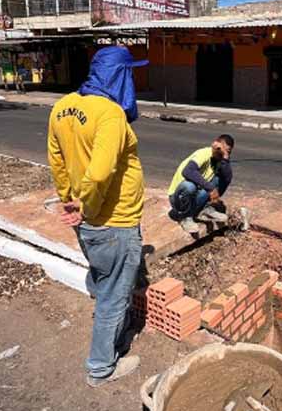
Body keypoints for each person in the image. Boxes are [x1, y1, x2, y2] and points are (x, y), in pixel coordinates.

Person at [47, 46, 146, 387]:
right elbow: (101, 172)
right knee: (113, 298)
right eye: (130, 73)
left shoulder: (62, 107)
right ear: (119, 75)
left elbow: (58, 163)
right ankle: (101, 367)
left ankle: (116, 327)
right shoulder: (110, 114)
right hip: (114, 222)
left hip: (88, 222)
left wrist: (70, 202)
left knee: (106, 278)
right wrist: (88, 208)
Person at [167, 135, 234, 234]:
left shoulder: (220, 159)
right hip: (178, 199)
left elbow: (227, 178)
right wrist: (210, 188)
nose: (222, 153)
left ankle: (203, 209)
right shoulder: (203, 153)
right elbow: (187, 171)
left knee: (220, 179)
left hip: (195, 197)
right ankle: (184, 217)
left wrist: (225, 158)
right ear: (215, 144)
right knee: (189, 186)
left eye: (227, 151)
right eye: (221, 150)